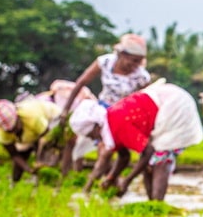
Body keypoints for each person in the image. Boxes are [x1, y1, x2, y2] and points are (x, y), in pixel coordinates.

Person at [68, 79, 203, 200]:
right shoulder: (111, 123)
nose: (93, 139)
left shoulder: (117, 123)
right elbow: (124, 157)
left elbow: (148, 150)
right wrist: (111, 177)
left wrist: (127, 180)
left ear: (96, 126)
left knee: (160, 159)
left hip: (174, 105)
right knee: (148, 163)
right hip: (165, 102)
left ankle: (156, 206)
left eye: (91, 134)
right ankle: (152, 204)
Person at [59, 33, 152, 171]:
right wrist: (65, 110)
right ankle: (90, 177)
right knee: (95, 146)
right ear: (123, 54)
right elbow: (81, 83)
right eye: (133, 60)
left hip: (124, 114)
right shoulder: (106, 62)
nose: (135, 65)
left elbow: (146, 101)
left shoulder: (142, 76)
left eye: (138, 61)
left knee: (115, 150)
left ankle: (105, 179)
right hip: (102, 110)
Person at [0, 97, 62, 185]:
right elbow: (14, 154)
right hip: (30, 130)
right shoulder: (1, 131)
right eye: (10, 130)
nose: (13, 131)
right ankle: (14, 182)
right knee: (23, 152)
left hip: (52, 120)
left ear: (18, 117)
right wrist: (29, 169)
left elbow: (45, 138)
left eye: (15, 127)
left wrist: (39, 161)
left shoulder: (32, 116)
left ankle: (56, 180)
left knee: (47, 152)